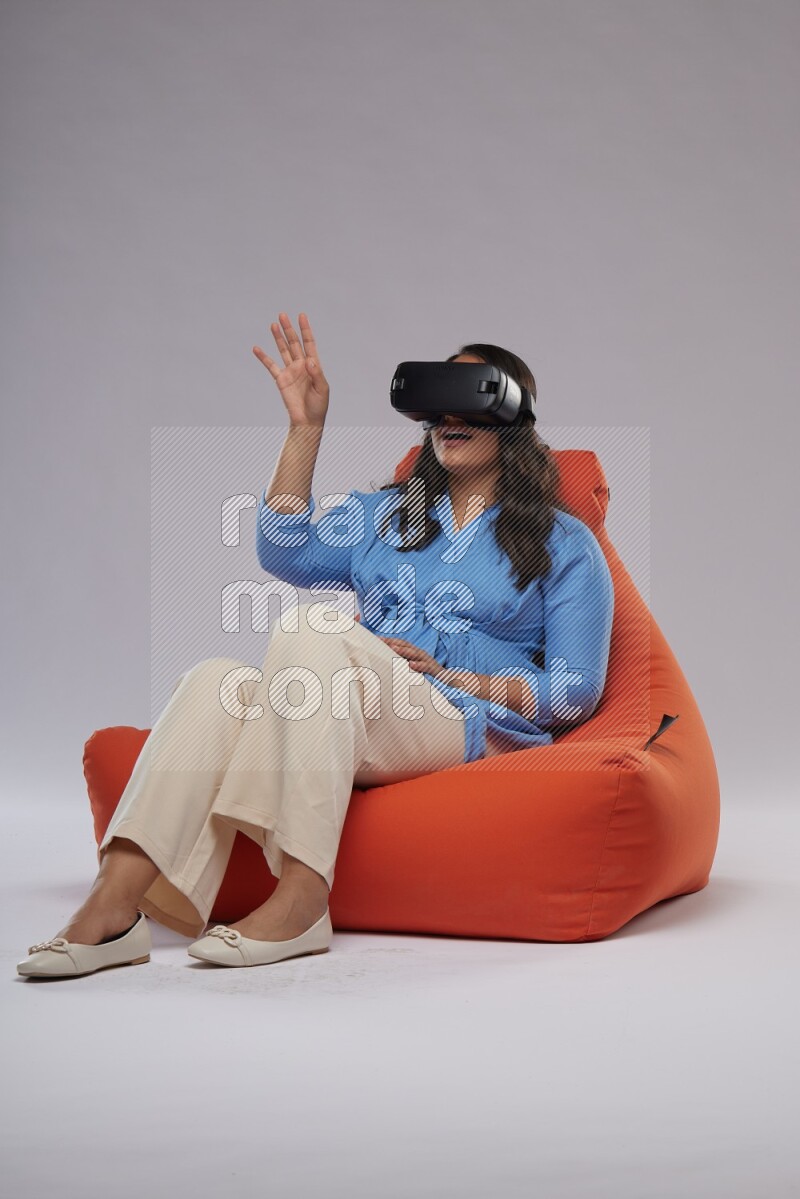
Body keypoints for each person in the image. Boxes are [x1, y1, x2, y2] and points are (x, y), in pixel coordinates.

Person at [17, 312, 614, 978]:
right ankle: (114, 907)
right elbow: (284, 546)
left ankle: (302, 899)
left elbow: (576, 689)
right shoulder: (390, 514)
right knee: (214, 679)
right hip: (359, 704)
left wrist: (457, 676)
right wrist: (305, 429)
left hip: (467, 724)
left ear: (511, 416)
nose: (449, 413)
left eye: (469, 395)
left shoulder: (566, 546)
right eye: (437, 397)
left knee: (312, 630)